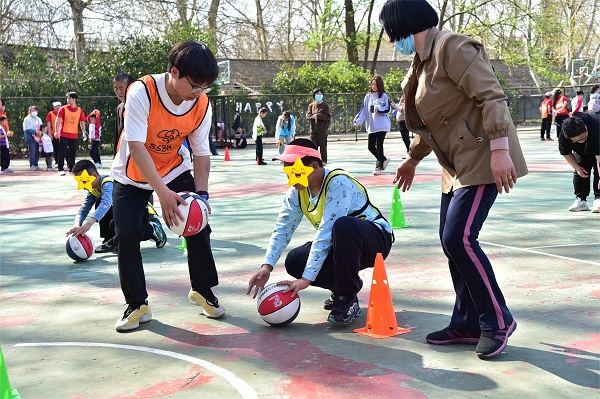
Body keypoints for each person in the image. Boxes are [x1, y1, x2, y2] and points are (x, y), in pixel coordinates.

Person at [380, 0, 528, 359]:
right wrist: (412, 158)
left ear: (400, 24)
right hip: (456, 165)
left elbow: (491, 95)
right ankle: (467, 322)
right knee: (451, 244)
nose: (388, 39)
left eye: (388, 30)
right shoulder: (421, 62)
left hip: (481, 155)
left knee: (459, 238)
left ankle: (497, 320)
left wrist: (499, 149)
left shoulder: (453, 46)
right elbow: (435, 122)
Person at [110, 41, 226, 332]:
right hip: (132, 172)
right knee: (125, 235)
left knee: (199, 224)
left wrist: (202, 195)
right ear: (174, 72)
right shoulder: (142, 92)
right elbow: (136, 147)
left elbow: (201, 152)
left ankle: (202, 289)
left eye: (205, 88)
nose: (199, 93)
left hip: (173, 166)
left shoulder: (200, 103)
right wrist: (162, 194)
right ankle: (137, 303)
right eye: (195, 85)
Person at [246, 139, 393, 324]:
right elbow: (283, 227)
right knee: (294, 260)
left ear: (314, 166)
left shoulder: (339, 183)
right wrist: (266, 266)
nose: (290, 179)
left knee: (343, 225)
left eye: (295, 172)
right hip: (342, 243)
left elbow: (325, 233)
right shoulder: (297, 191)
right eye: (287, 172)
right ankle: (345, 287)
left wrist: (306, 280)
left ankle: (346, 299)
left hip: (375, 240)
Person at [558, 115, 600, 212]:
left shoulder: (596, 128)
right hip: (581, 151)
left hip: (598, 145)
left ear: (585, 128)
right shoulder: (564, 136)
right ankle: (581, 200)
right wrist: (577, 167)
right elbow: (566, 153)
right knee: (581, 168)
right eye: (576, 140)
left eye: (582, 137)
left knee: (598, 171)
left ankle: (598, 199)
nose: (581, 141)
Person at [354, 76, 392, 175]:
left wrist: (378, 108)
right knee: (370, 147)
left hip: (382, 125)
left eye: (376, 84)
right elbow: (363, 111)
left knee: (379, 145)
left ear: (380, 85)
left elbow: (388, 109)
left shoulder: (384, 95)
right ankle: (383, 160)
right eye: (372, 84)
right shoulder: (368, 96)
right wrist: (357, 122)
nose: (374, 86)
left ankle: (378, 167)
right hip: (372, 126)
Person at [56, 92, 86, 175]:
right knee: (62, 152)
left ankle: (72, 169)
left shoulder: (79, 110)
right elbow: (57, 120)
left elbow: (82, 122)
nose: (67, 100)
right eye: (67, 98)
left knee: (73, 152)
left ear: (74, 99)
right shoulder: (63, 109)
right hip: (64, 133)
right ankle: (60, 169)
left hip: (74, 134)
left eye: (69, 98)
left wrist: (84, 132)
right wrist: (56, 131)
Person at [113, 72, 136, 156]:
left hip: (135, 152)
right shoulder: (119, 108)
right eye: (115, 88)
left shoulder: (139, 106)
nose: (118, 92)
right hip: (122, 154)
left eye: (121, 88)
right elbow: (117, 134)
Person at [306, 88, 331, 163]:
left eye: (320, 94)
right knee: (313, 147)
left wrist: (318, 116)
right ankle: (314, 162)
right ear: (314, 95)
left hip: (322, 130)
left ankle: (324, 162)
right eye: (317, 94)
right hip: (313, 130)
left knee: (323, 147)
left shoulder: (325, 105)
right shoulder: (311, 105)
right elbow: (308, 114)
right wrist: (309, 115)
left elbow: (328, 117)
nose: (319, 95)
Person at [23, 105, 43, 171]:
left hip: (38, 138)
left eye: (35, 110)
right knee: (32, 151)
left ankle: (36, 164)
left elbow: (41, 127)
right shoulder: (26, 119)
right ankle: (32, 165)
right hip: (30, 138)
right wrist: (35, 132)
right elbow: (27, 129)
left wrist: (40, 133)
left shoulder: (38, 119)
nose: (34, 112)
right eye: (32, 110)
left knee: (37, 151)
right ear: (29, 111)